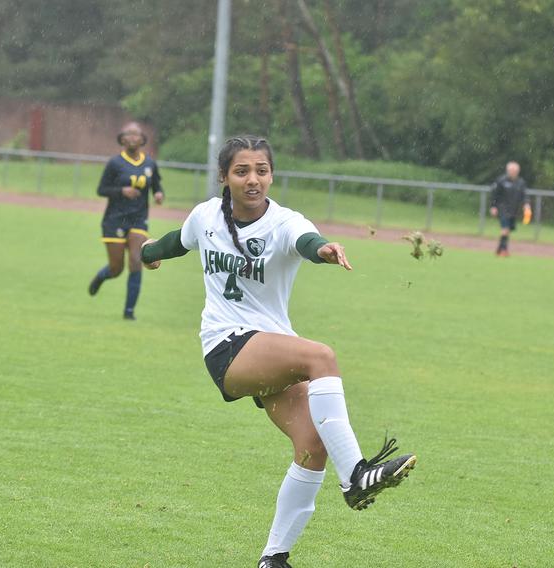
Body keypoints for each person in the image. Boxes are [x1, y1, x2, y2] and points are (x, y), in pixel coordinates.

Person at [140, 135, 417, 568]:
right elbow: (179, 240)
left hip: (267, 348)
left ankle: (274, 557)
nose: (253, 180)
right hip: (226, 346)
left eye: (262, 171)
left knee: (312, 446)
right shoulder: (206, 216)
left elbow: (307, 241)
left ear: (272, 174)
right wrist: (149, 252)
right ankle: (357, 477)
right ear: (224, 177)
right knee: (320, 357)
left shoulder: (285, 221)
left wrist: (324, 250)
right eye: (242, 171)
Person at [88, 122, 164, 320]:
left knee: (136, 261)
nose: (132, 137)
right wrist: (122, 191)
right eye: (128, 134)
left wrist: (158, 194)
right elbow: (101, 189)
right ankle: (102, 276)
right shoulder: (115, 163)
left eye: (136, 134)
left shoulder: (149, 164)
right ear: (122, 139)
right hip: (114, 220)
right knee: (116, 268)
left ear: (142, 139)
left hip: (138, 220)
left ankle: (129, 312)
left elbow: (157, 186)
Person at [489, 161, 531, 257]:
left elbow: (524, 195)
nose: (513, 172)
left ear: (518, 171)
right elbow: (494, 195)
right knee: (505, 229)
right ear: (507, 170)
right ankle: (504, 250)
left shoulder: (521, 182)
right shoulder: (501, 181)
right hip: (502, 208)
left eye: (515, 170)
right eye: (511, 170)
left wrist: (526, 204)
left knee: (508, 230)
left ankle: (499, 248)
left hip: (513, 210)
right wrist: (493, 206)